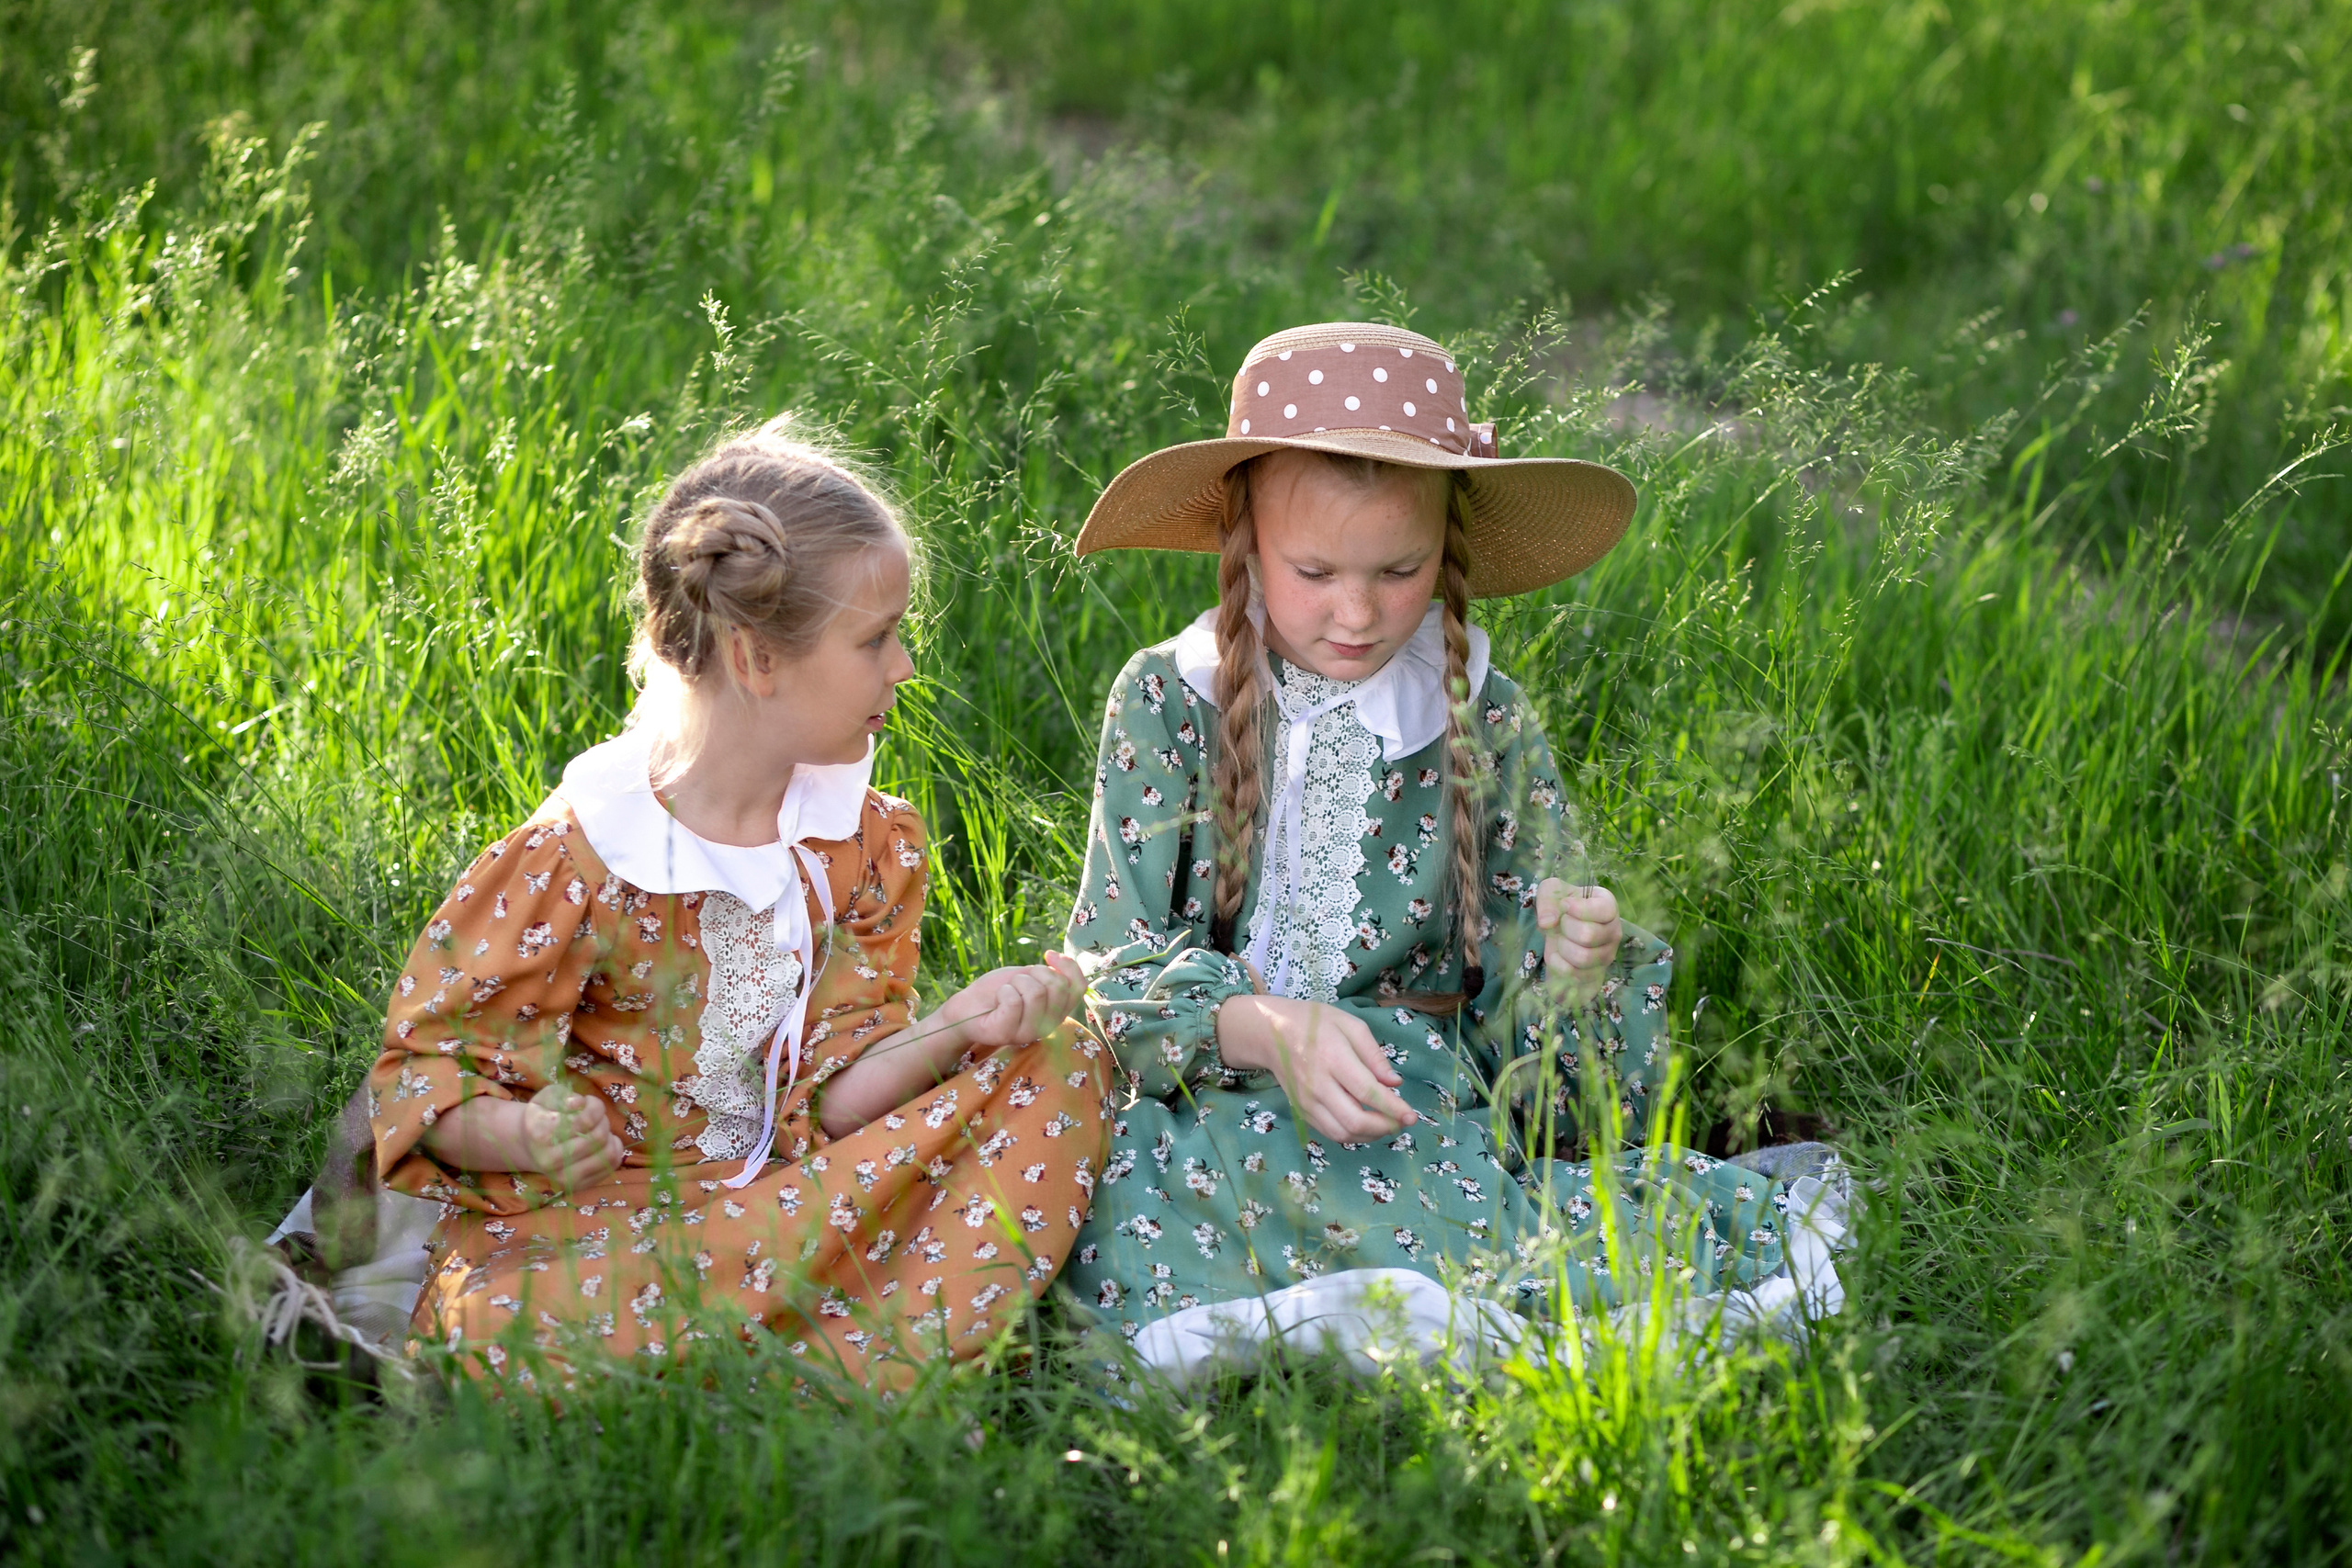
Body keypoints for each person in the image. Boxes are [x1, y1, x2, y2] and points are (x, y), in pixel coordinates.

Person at [1057, 321, 1826, 1352]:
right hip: (1202, 1088)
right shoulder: (1169, 699)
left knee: (1424, 1197)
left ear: (1449, 553)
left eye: (1400, 569)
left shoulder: (1483, 722)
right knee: (1127, 1187)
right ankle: (1381, 1285)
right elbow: (1109, 963)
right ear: (1243, 543)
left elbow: (1531, 1064)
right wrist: (1262, 1027)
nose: (1360, 612)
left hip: (1402, 1107)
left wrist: (1567, 963)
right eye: (1315, 571)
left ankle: (1410, 1273)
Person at [357, 419, 1106, 1382]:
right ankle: (839, 1345)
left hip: (807, 1198)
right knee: (510, 1322)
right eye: (876, 640)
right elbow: (425, 1071)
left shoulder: (864, 843)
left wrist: (959, 1026)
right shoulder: (583, 855)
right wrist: (524, 1133)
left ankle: (785, 1347)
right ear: (755, 661)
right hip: (609, 1231)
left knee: (1062, 1059)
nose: (904, 668)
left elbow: (836, 1102)